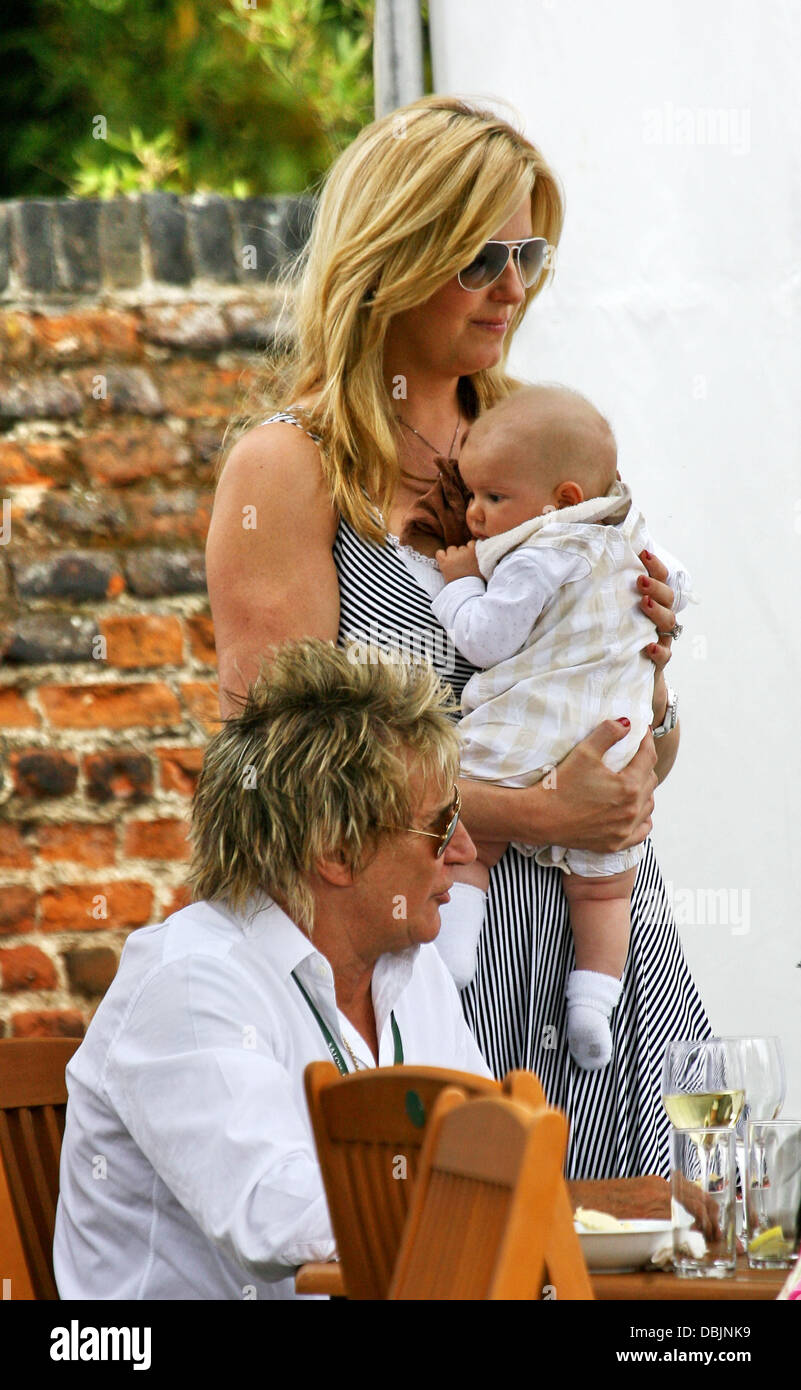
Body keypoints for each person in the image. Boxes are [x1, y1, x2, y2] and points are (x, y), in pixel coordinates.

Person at [205, 94, 710, 1178]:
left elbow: (637, 742)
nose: (513, 285)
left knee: (660, 1286)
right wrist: (535, 808)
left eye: (529, 252)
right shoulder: (289, 470)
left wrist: (648, 694)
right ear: (392, 251)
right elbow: (274, 776)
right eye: (482, 253)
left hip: (601, 949)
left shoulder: (537, 433)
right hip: (428, 953)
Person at [53, 640, 490, 1300]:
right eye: (440, 823)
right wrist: (486, 1197)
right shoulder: (192, 982)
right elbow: (272, 1216)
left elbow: (492, 1143)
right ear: (337, 852)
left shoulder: (411, 966)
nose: (464, 850)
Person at [427, 383, 692, 1072]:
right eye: (469, 495)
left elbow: (485, 640)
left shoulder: (538, 554)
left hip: (527, 736)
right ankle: (592, 1002)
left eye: (490, 498)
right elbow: (678, 583)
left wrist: (457, 582)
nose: (474, 514)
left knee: (471, 841)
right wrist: (660, 619)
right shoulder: (629, 537)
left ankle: (456, 950)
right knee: (605, 889)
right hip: (610, 740)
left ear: (564, 500)